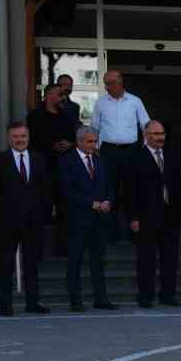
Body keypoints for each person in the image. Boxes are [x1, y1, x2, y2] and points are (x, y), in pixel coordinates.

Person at [0, 120, 52, 316]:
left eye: (23, 136)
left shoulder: (39, 159)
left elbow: (46, 188)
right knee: (4, 264)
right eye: (15, 136)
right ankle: (6, 305)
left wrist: (44, 211)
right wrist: (3, 207)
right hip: (8, 221)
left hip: (33, 221)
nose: (19, 140)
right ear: (8, 138)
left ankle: (32, 302)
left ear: (28, 137)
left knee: (32, 264)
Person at [127, 119, 181, 308]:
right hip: (146, 217)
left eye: (162, 134)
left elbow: (179, 185)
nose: (160, 138)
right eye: (155, 134)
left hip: (170, 216)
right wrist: (133, 217)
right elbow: (130, 190)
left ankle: (168, 295)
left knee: (170, 259)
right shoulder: (136, 156)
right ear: (146, 135)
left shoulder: (171, 155)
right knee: (146, 260)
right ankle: (146, 296)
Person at [61, 125, 117, 312]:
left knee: (98, 261)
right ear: (79, 142)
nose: (93, 145)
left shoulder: (100, 161)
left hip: (99, 221)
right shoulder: (67, 162)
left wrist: (108, 201)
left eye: (95, 141)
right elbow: (67, 191)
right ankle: (75, 300)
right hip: (78, 220)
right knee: (75, 261)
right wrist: (91, 203)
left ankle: (101, 298)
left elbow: (109, 184)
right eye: (90, 141)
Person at [90, 70, 151, 234]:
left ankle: (134, 229)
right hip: (108, 151)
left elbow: (146, 125)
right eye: (106, 84)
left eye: (110, 83)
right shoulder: (101, 103)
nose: (107, 87)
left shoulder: (135, 101)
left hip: (130, 151)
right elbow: (94, 128)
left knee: (132, 188)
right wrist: (94, 148)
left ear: (120, 82)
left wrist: (145, 147)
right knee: (110, 190)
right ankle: (112, 231)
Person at [28, 84, 81, 257]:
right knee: (41, 208)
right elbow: (31, 142)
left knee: (64, 207)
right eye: (60, 94)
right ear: (49, 95)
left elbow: (75, 137)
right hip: (43, 169)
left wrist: (70, 144)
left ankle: (62, 248)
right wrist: (52, 146)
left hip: (63, 168)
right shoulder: (35, 116)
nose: (63, 98)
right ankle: (38, 250)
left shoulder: (65, 116)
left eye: (64, 95)